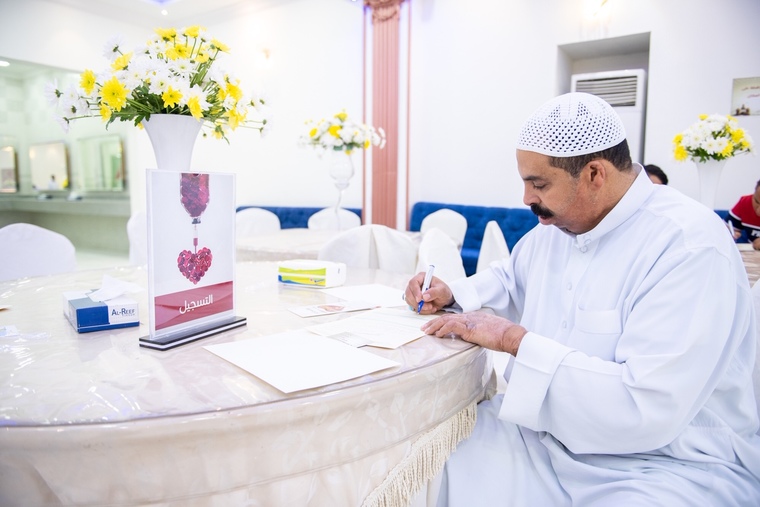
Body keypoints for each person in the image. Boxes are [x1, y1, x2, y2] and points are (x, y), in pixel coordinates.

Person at [404, 92, 760, 506]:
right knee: (424, 457)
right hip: (545, 439)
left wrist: (513, 340)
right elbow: (510, 279)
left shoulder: (688, 246)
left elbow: (648, 408)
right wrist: (452, 293)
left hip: (669, 464)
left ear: (594, 174)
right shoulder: (558, 228)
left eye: (539, 184)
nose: (526, 198)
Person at [728, 179, 760, 249]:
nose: (759, 209)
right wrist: (733, 233)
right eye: (757, 202)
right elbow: (728, 227)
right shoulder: (744, 202)